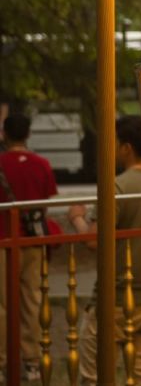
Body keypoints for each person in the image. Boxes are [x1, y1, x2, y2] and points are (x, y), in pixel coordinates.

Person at [70, 116, 141, 386]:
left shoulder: (117, 186)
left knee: (94, 373)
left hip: (115, 297)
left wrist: (76, 218)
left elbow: (94, 240)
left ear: (126, 147)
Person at [0, 114, 58, 382]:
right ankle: (32, 360)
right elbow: (47, 202)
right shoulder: (41, 164)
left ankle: (1, 360)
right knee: (31, 301)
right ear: (28, 134)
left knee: (1, 303)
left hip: (2, 240)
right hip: (32, 242)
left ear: (5, 134)